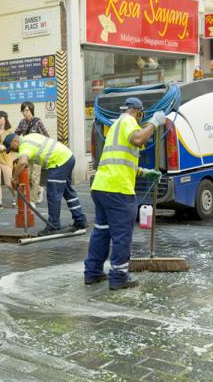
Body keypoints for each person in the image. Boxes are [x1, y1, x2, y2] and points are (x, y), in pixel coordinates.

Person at [83, 98, 165, 290]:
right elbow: (138, 139)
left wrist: (144, 172)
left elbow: (120, 160)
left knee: (101, 232)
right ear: (138, 112)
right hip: (118, 189)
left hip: (101, 187)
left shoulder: (115, 126)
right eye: (141, 116)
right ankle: (119, 277)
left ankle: (92, 272)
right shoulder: (128, 120)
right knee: (122, 234)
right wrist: (154, 122)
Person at [4, 133, 87, 236]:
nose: (13, 151)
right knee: (67, 191)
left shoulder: (24, 146)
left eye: (12, 148)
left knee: (53, 193)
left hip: (59, 162)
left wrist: (14, 178)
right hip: (68, 157)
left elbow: (22, 163)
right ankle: (80, 220)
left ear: (15, 141)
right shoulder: (29, 137)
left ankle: (54, 225)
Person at [14, 101, 48, 206]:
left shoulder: (38, 122)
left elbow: (46, 136)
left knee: (35, 177)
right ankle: (39, 190)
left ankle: (32, 200)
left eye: (27, 110)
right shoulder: (22, 122)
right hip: (27, 152)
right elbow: (16, 134)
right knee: (28, 177)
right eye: (23, 111)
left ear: (31, 110)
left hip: (37, 152)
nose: (25, 113)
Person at [0, 111, 16, 210]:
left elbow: (13, 146)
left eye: (0, 118)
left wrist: (5, 148)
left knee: (8, 183)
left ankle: (15, 197)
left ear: (5, 119)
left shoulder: (10, 131)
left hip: (6, 159)